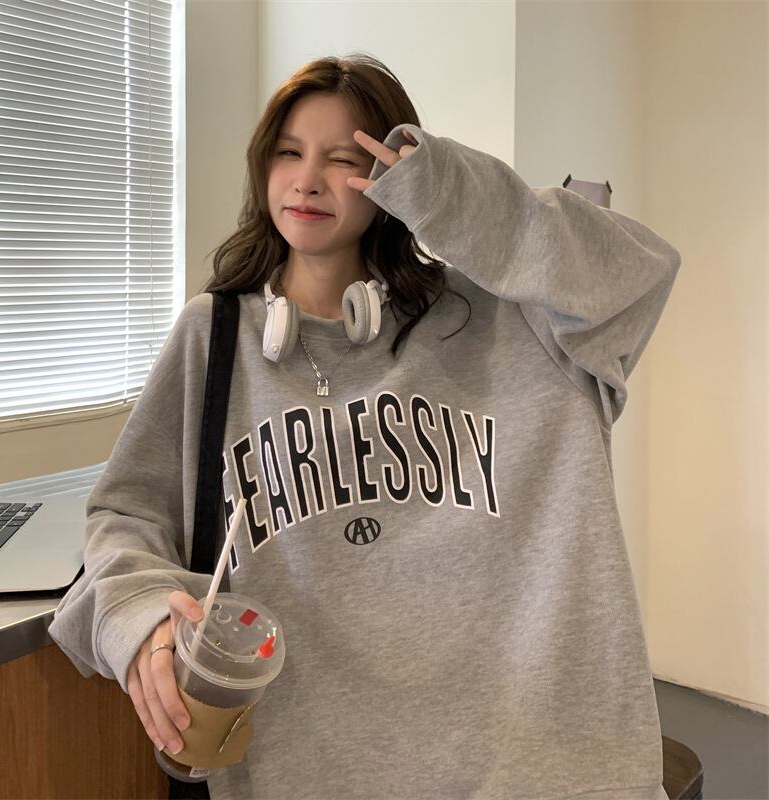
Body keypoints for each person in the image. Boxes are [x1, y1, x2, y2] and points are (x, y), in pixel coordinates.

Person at [47, 53, 681, 800]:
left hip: (527, 768)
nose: (307, 180)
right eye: (288, 153)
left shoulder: (509, 325)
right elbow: (126, 514)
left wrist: (450, 194)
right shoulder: (213, 339)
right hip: (306, 771)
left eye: (343, 159)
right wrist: (142, 617)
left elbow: (640, 273)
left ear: (389, 179)